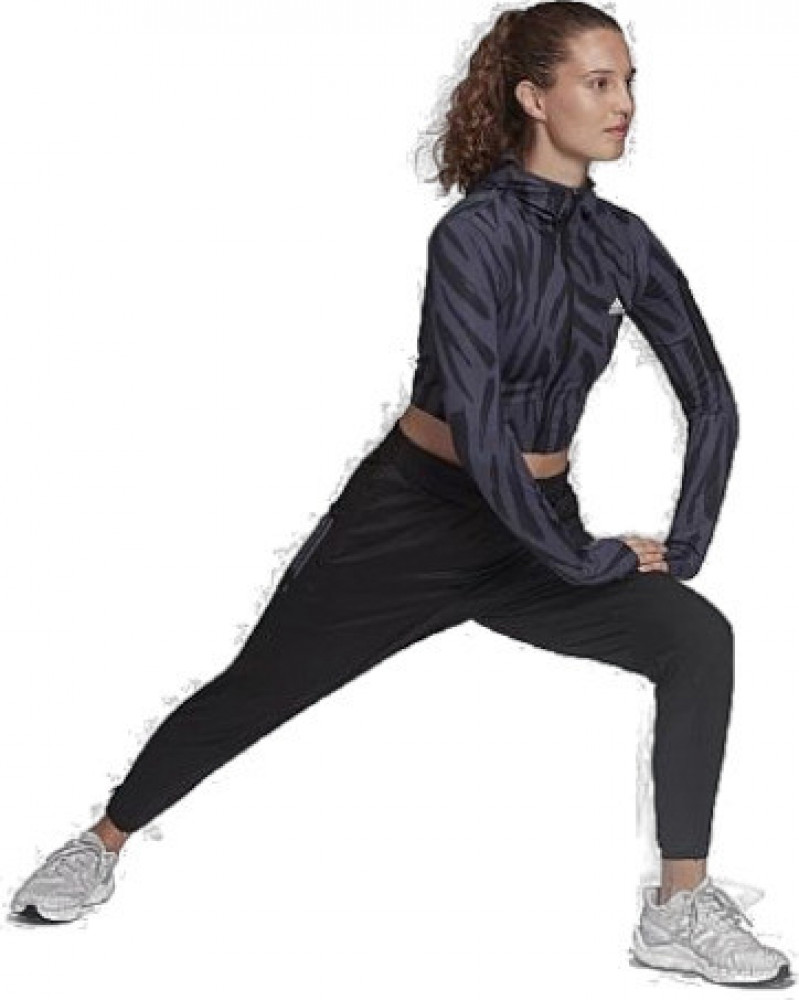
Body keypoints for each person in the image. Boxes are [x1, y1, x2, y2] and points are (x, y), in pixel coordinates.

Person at [9, 1, 792, 987]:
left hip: (532, 531)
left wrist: (686, 541)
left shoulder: (622, 241)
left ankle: (678, 907)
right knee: (256, 690)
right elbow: (477, 419)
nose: (623, 103)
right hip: (413, 519)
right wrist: (582, 558)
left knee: (695, 637)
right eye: (598, 82)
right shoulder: (471, 237)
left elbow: (709, 396)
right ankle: (102, 841)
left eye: (628, 82)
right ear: (533, 98)